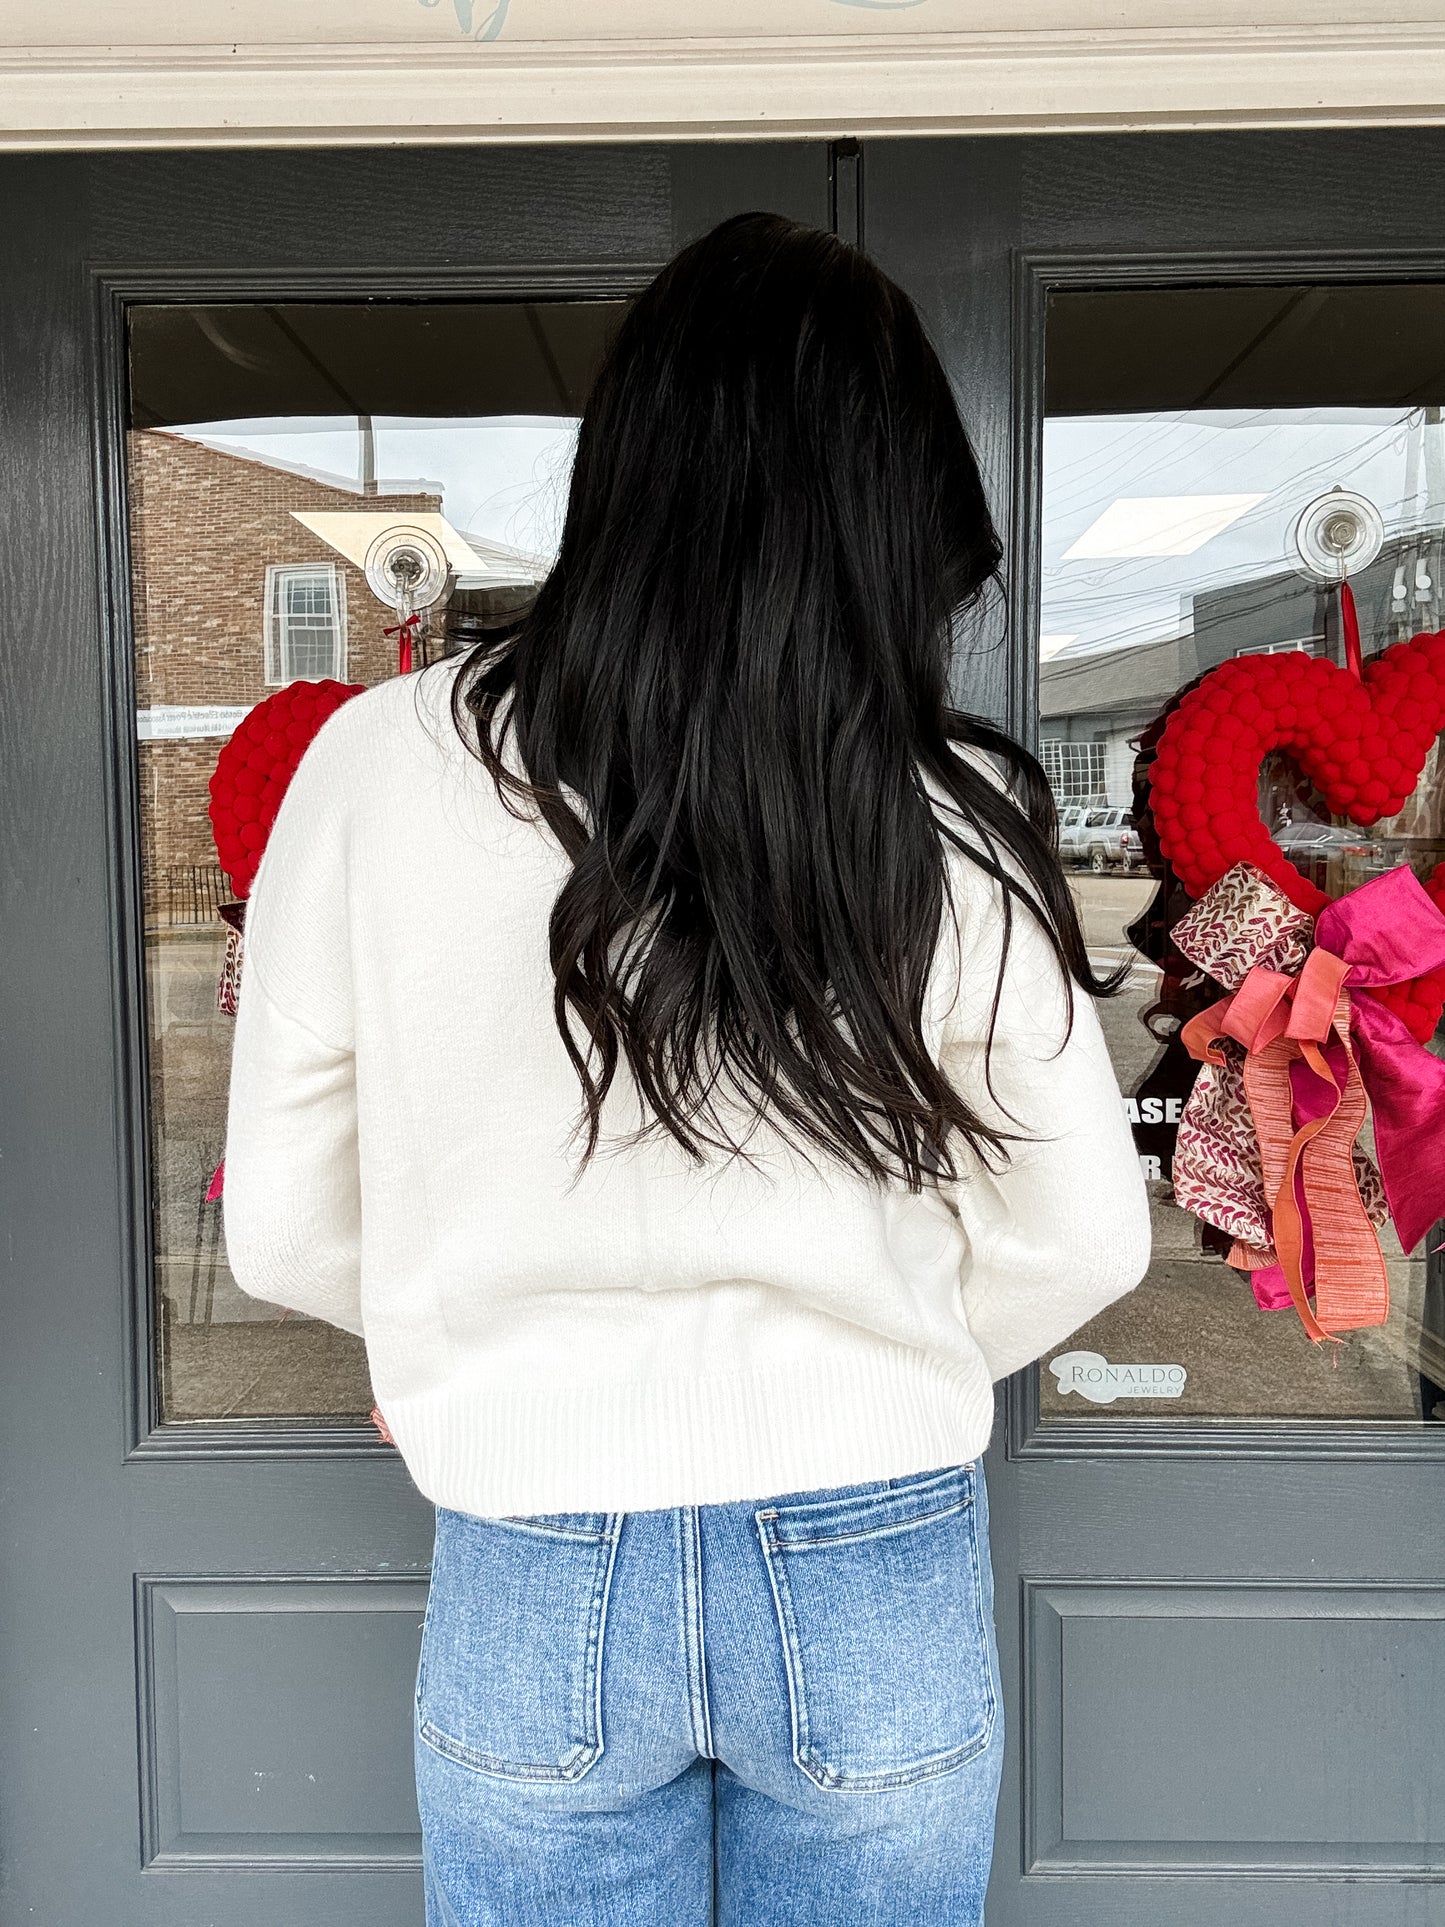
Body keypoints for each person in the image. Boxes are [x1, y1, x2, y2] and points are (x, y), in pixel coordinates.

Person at [223, 212, 1149, 1927]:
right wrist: (880, 1341)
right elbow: (1088, 1238)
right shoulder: (946, 816)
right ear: (891, 521)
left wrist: (456, 1338)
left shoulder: (376, 765)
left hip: (533, 1537)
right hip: (873, 1547)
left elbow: (277, 1232)